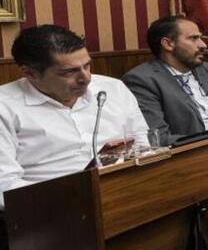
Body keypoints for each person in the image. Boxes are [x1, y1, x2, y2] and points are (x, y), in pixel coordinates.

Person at [0, 25, 149, 207]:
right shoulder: (5, 106)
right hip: (49, 210)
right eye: (69, 72)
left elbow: (143, 146)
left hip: (125, 193)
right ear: (30, 73)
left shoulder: (112, 88)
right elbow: (5, 186)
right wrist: (72, 202)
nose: (86, 78)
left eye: (87, 66)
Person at [123, 16, 208, 145]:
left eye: (200, 38)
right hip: (196, 154)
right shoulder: (142, 80)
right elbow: (159, 138)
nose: (203, 45)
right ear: (168, 44)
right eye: (193, 39)